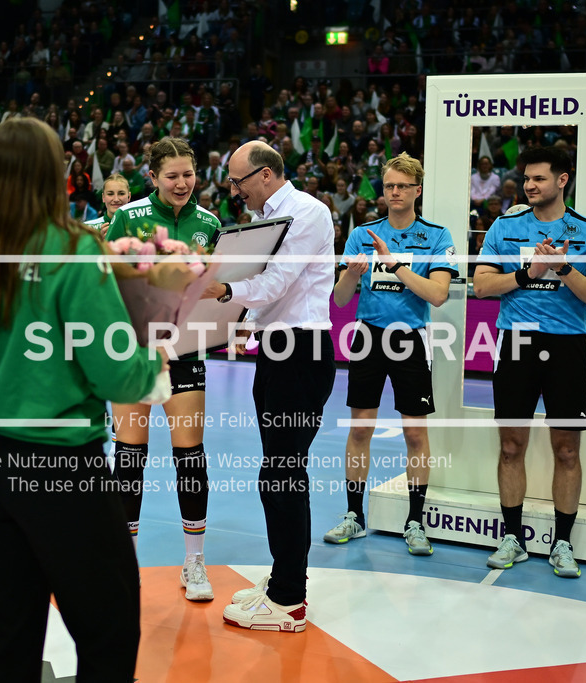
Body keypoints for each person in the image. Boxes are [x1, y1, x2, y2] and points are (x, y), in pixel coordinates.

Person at [0, 117, 166, 682]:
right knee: (108, 629)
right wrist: (154, 350)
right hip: (63, 470)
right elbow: (117, 377)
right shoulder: (72, 250)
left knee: (10, 629)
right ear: (51, 174)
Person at [202, 141, 336, 632]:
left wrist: (223, 291)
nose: (233, 191)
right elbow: (271, 291)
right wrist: (245, 316)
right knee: (276, 472)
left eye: (237, 182)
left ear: (264, 175)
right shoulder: (268, 218)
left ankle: (289, 600)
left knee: (282, 473)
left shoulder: (307, 212)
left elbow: (277, 283)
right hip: (279, 351)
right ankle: (284, 579)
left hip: (301, 352)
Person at [473, 146, 586, 579]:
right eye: (526, 179)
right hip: (516, 344)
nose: (529, 186)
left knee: (567, 450)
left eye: (538, 179)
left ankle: (562, 544)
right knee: (511, 445)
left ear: (562, 180)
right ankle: (512, 538)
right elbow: (481, 286)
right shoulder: (504, 226)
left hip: (568, 347)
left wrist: (564, 267)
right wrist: (529, 273)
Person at [105, 137, 221, 602]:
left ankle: (195, 562)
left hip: (187, 352)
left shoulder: (210, 223)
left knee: (189, 454)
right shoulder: (128, 217)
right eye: (171, 175)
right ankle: (123, 563)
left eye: (188, 174)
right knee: (129, 457)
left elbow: (216, 281)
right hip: (134, 351)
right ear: (153, 176)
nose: (181, 183)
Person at [325, 153, 457, 553]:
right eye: (389, 186)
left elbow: (437, 295)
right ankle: (354, 516)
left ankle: (415, 521)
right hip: (368, 336)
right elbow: (341, 299)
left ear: (417, 190)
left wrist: (395, 264)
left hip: (410, 339)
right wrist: (351, 273)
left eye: (402, 186)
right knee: (360, 429)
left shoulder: (437, 235)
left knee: (415, 432)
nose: (395, 192)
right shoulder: (361, 234)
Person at [84, 173, 130, 238]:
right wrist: (99, 243)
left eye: (121, 194)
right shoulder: (88, 228)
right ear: (103, 197)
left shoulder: (140, 223)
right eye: (110, 194)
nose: (116, 199)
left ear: (129, 196)